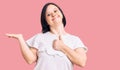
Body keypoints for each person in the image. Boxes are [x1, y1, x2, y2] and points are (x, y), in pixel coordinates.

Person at [6, 2, 88, 70]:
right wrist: (20, 38)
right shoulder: (39, 37)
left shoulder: (75, 40)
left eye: (55, 11)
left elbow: (82, 62)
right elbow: (30, 60)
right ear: (46, 21)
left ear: (61, 14)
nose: (53, 14)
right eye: (48, 14)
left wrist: (62, 47)